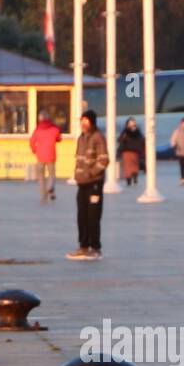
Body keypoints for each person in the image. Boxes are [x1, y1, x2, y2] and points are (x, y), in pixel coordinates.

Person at [67, 109, 108, 260]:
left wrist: (90, 173)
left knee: (93, 216)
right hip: (82, 184)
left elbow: (104, 160)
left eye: (86, 121)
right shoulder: (81, 138)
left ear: (92, 122)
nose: (83, 124)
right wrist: (78, 175)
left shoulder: (98, 138)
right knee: (82, 216)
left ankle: (95, 248)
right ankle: (83, 246)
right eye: (81, 121)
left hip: (94, 183)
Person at [29, 109, 61, 202]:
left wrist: (34, 150)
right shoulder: (54, 128)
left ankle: (43, 197)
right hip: (51, 155)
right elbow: (59, 138)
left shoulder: (37, 130)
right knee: (52, 174)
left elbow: (32, 141)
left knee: (41, 177)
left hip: (40, 156)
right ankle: (50, 187)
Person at [118, 118, 145, 186]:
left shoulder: (125, 132)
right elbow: (142, 141)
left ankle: (129, 180)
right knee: (135, 165)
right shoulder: (138, 133)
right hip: (135, 152)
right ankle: (135, 176)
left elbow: (120, 140)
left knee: (127, 167)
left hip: (126, 151)